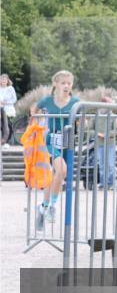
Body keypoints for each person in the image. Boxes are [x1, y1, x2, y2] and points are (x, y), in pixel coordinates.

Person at [31, 70, 80, 229]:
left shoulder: (76, 102)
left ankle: (43, 207)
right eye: (63, 83)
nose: (66, 86)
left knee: (54, 176)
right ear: (56, 84)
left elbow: (84, 120)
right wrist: (37, 122)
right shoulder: (47, 101)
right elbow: (34, 110)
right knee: (62, 170)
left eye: (69, 83)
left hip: (68, 141)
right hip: (52, 140)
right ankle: (52, 206)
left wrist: (81, 123)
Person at [93, 95, 117, 190]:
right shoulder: (96, 116)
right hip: (99, 144)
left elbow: (116, 130)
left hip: (110, 144)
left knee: (110, 164)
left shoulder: (113, 116)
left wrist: (107, 134)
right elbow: (89, 129)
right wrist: (97, 133)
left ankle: (111, 183)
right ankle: (102, 183)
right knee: (101, 165)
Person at [0, 73, 16, 147]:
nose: (3, 81)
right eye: (2, 79)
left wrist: (6, 102)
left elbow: (14, 99)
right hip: (0, 108)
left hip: (8, 109)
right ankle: (2, 141)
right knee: (2, 125)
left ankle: (6, 141)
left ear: (7, 80)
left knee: (7, 126)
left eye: (5, 79)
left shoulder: (10, 88)